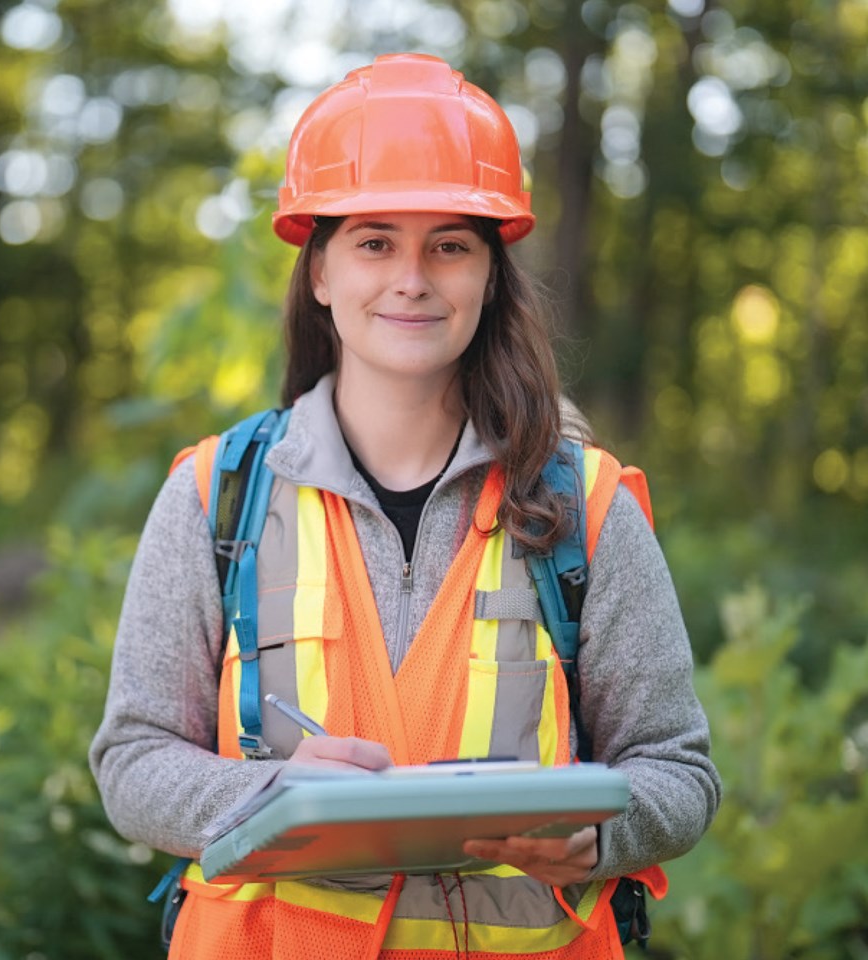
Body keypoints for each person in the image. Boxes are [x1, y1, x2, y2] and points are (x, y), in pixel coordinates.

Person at [90, 52, 721, 960]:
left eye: (449, 245)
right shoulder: (214, 495)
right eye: (375, 241)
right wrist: (262, 801)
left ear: (489, 275)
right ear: (319, 271)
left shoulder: (584, 506)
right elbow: (133, 758)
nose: (412, 278)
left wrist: (594, 840)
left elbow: (679, 772)